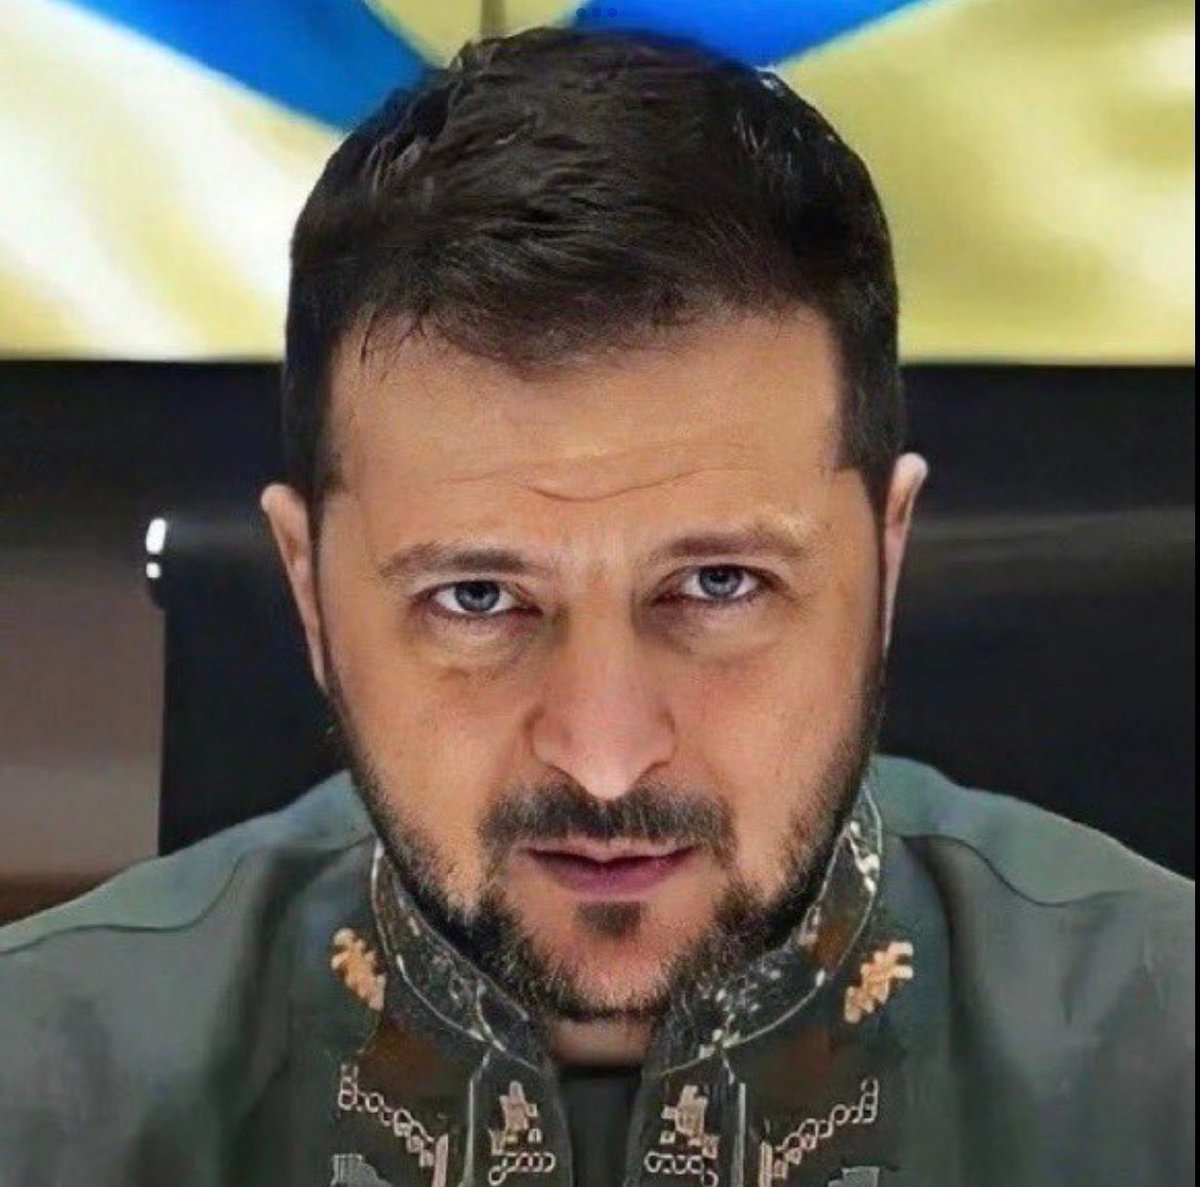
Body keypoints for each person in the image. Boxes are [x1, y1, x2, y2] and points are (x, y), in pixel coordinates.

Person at [0, 25, 1192, 1187]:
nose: (605, 757)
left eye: (720, 584)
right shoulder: (40, 1083)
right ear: (308, 589)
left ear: (886, 559)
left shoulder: (1164, 1059)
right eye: (477, 596)